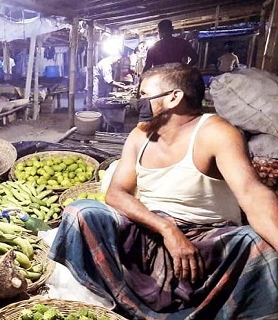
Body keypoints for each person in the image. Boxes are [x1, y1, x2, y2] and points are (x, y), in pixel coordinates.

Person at [50, 66, 278, 319]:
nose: (138, 102)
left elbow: (253, 193)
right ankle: (112, 302)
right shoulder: (140, 136)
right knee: (80, 212)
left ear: (174, 97)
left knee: (259, 245)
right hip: (149, 231)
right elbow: (116, 194)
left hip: (206, 240)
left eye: (144, 94)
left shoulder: (216, 132)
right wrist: (167, 229)